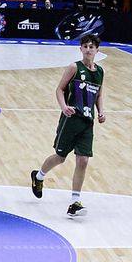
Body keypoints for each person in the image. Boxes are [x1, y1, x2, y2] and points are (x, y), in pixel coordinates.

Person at [29, 33, 106, 219]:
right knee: (60, 157)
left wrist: (102, 111)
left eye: (91, 46)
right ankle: (38, 176)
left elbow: (99, 94)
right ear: (81, 49)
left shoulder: (100, 72)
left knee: (83, 160)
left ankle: (74, 202)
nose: (88, 49)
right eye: (85, 46)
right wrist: (64, 107)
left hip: (87, 122)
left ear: (97, 50)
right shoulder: (74, 67)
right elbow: (59, 89)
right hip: (71, 119)